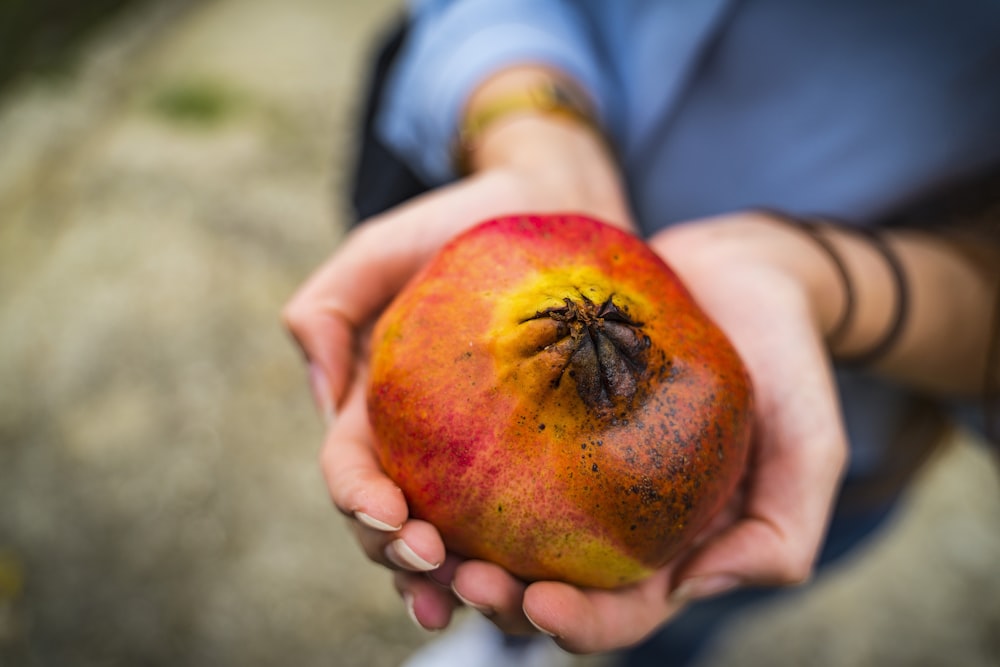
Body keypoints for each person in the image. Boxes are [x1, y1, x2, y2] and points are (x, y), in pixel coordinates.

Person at [283, 1, 1000, 664]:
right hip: (525, 188)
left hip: (829, 425)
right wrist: (532, 127)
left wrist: (833, 287)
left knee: (685, 610)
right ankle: (499, 649)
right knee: (503, 593)